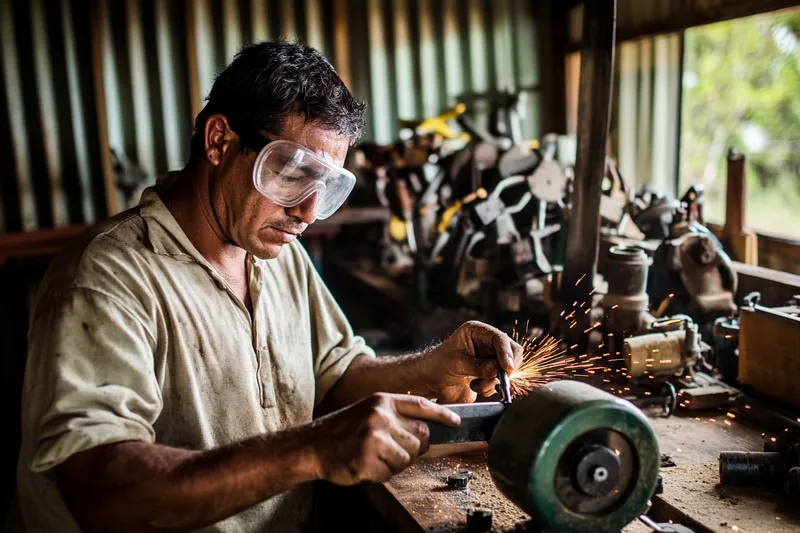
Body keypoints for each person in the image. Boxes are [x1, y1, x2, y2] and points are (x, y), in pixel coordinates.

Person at [14, 41, 521, 533]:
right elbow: (101, 495)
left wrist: (431, 370)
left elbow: (334, 375)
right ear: (219, 141)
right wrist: (312, 448)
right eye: (292, 171)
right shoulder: (108, 278)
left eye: (327, 185)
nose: (308, 212)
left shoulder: (277, 255)